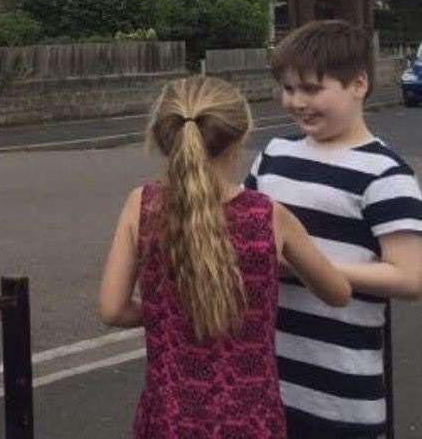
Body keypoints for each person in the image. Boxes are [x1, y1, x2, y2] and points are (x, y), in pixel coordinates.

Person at [99, 75, 351, 439]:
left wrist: (166, 309)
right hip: (251, 418)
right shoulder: (268, 215)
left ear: (163, 137)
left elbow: (112, 309)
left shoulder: (143, 204)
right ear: (241, 136)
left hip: (169, 418)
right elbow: (337, 292)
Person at [247, 21, 422, 439]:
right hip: (264, 381)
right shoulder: (272, 155)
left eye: (311, 89)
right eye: (288, 89)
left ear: (358, 84)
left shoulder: (385, 175)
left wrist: (308, 266)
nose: (296, 102)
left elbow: (410, 278)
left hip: (343, 392)